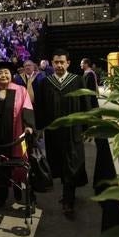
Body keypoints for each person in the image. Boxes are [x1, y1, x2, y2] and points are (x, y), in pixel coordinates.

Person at [36, 49, 90, 216]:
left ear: (68, 63)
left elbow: (85, 104)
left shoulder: (78, 80)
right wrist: (40, 128)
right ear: (52, 64)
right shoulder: (46, 82)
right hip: (54, 132)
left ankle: (68, 201)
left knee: (71, 164)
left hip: (73, 131)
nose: (59, 65)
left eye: (62, 62)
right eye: (56, 62)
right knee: (59, 164)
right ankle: (67, 194)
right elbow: (41, 107)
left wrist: (88, 127)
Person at [0, 61, 35, 209]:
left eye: (6, 72)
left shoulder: (21, 90)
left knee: (16, 163)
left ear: (11, 74)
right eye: (0, 73)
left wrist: (28, 126)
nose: (3, 75)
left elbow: (27, 109)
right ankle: (0, 197)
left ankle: (17, 187)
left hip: (14, 137)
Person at [80, 58, 119, 231]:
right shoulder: (87, 74)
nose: (80, 65)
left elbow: (91, 90)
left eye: (82, 63)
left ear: (86, 64)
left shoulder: (89, 74)